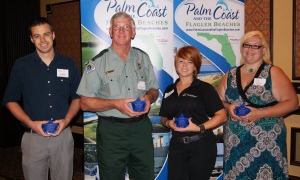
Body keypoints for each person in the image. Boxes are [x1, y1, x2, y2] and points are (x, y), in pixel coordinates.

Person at [76, 12, 159, 180]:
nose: (121, 31)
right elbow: (84, 103)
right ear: (110, 31)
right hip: (111, 132)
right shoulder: (97, 62)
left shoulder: (143, 58)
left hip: (141, 129)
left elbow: (154, 89)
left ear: (133, 32)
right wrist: (116, 104)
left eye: (126, 27)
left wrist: (149, 98)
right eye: (117, 27)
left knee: (145, 176)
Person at [2, 17, 81, 180]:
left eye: (46, 34)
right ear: (31, 39)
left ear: (53, 35)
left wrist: (66, 121)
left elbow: (78, 98)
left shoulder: (69, 64)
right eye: (37, 36)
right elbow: (10, 100)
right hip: (33, 139)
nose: (42, 40)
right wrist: (31, 124)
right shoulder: (21, 65)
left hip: (63, 137)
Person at [217, 30, 299, 180]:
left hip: (266, 143)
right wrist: (228, 107)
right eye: (246, 45)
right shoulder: (230, 74)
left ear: (264, 50)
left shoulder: (273, 72)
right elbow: (217, 101)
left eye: (255, 46)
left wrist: (260, 113)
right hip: (235, 144)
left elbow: (292, 103)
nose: (250, 49)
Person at [159, 46, 227, 180]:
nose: (185, 66)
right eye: (181, 61)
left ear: (195, 66)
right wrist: (168, 123)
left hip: (201, 146)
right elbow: (163, 117)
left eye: (189, 62)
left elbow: (222, 115)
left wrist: (198, 127)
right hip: (177, 146)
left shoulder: (205, 89)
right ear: (176, 64)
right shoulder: (169, 90)